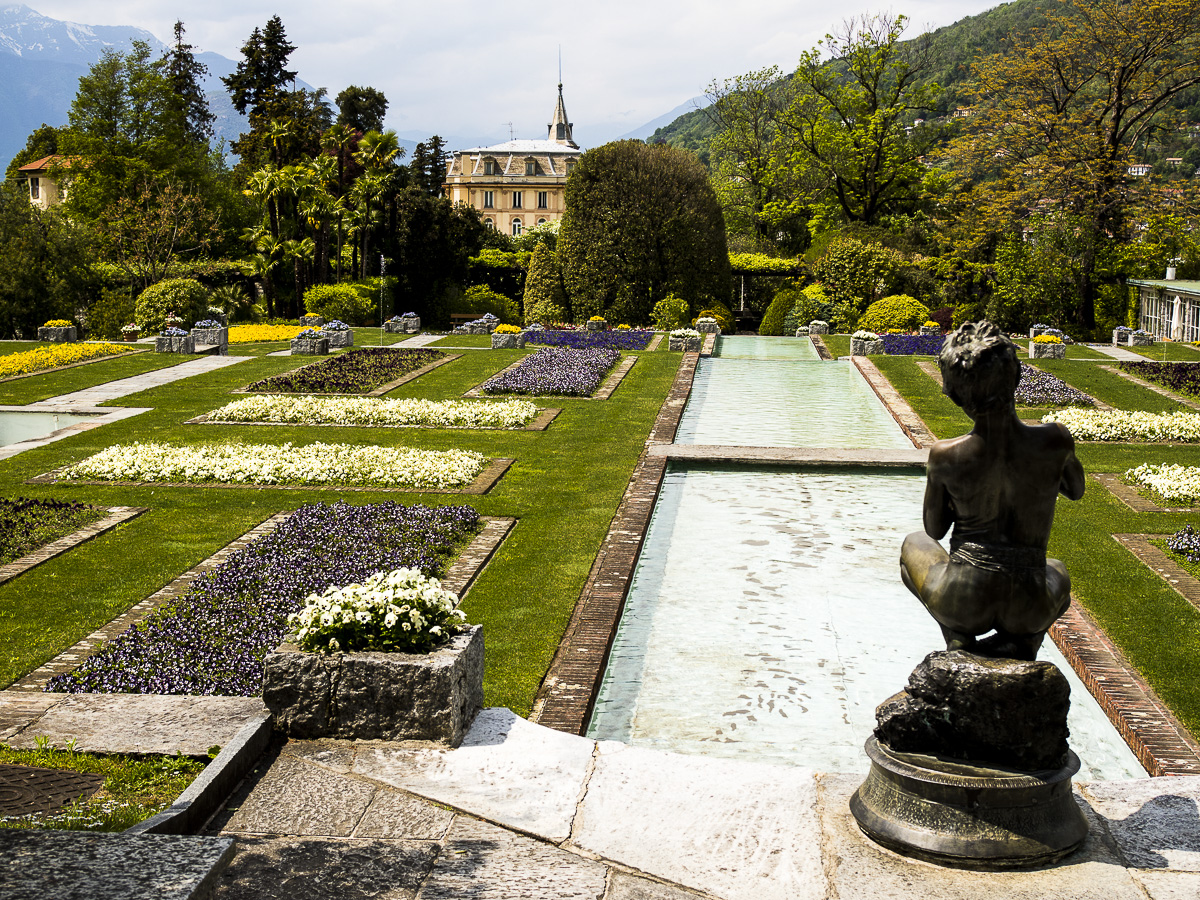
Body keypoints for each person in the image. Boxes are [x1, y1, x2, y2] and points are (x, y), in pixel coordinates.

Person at [899, 321, 1085, 661]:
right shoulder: (1056, 439)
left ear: (954, 392)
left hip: (964, 601)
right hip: (1029, 605)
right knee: (1057, 569)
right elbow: (1076, 490)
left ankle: (958, 640)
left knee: (914, 543)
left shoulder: (947, 455)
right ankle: (1024, 644)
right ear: (1016, 379)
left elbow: (934, 530)